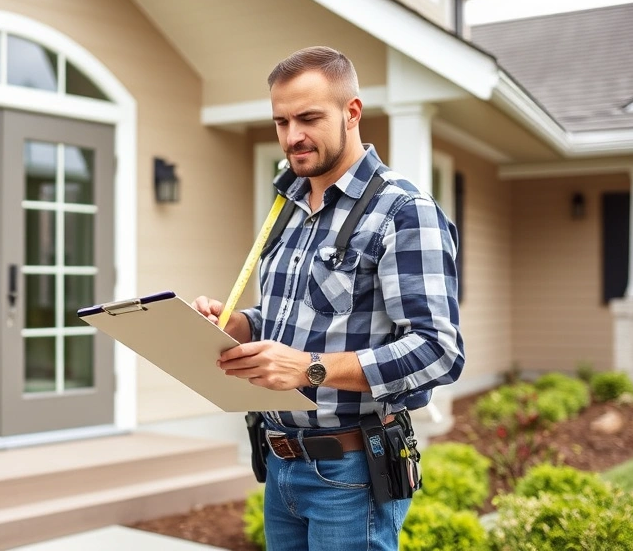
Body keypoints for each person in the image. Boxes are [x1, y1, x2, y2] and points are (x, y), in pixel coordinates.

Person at [192, 46, 465, 551]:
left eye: (309, 118)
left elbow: (438, 351)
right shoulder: (289, 207)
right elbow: (293, 317)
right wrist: (240, 326)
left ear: (352, 112)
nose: (292, 136)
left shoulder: (403, 211)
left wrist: (310, 369)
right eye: (281, 121)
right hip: (280, 465)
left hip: (351, 472)